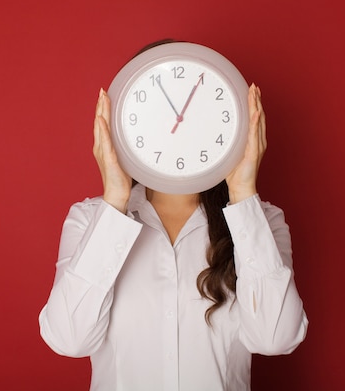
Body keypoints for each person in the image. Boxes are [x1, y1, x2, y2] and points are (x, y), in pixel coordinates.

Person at [39, 72, 308, 390]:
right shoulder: (89, 219)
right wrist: (114, 200)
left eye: (189, 114)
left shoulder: (262, 221)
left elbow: (274, 339)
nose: (176, 125)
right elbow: (69, 340)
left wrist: (243, 192)